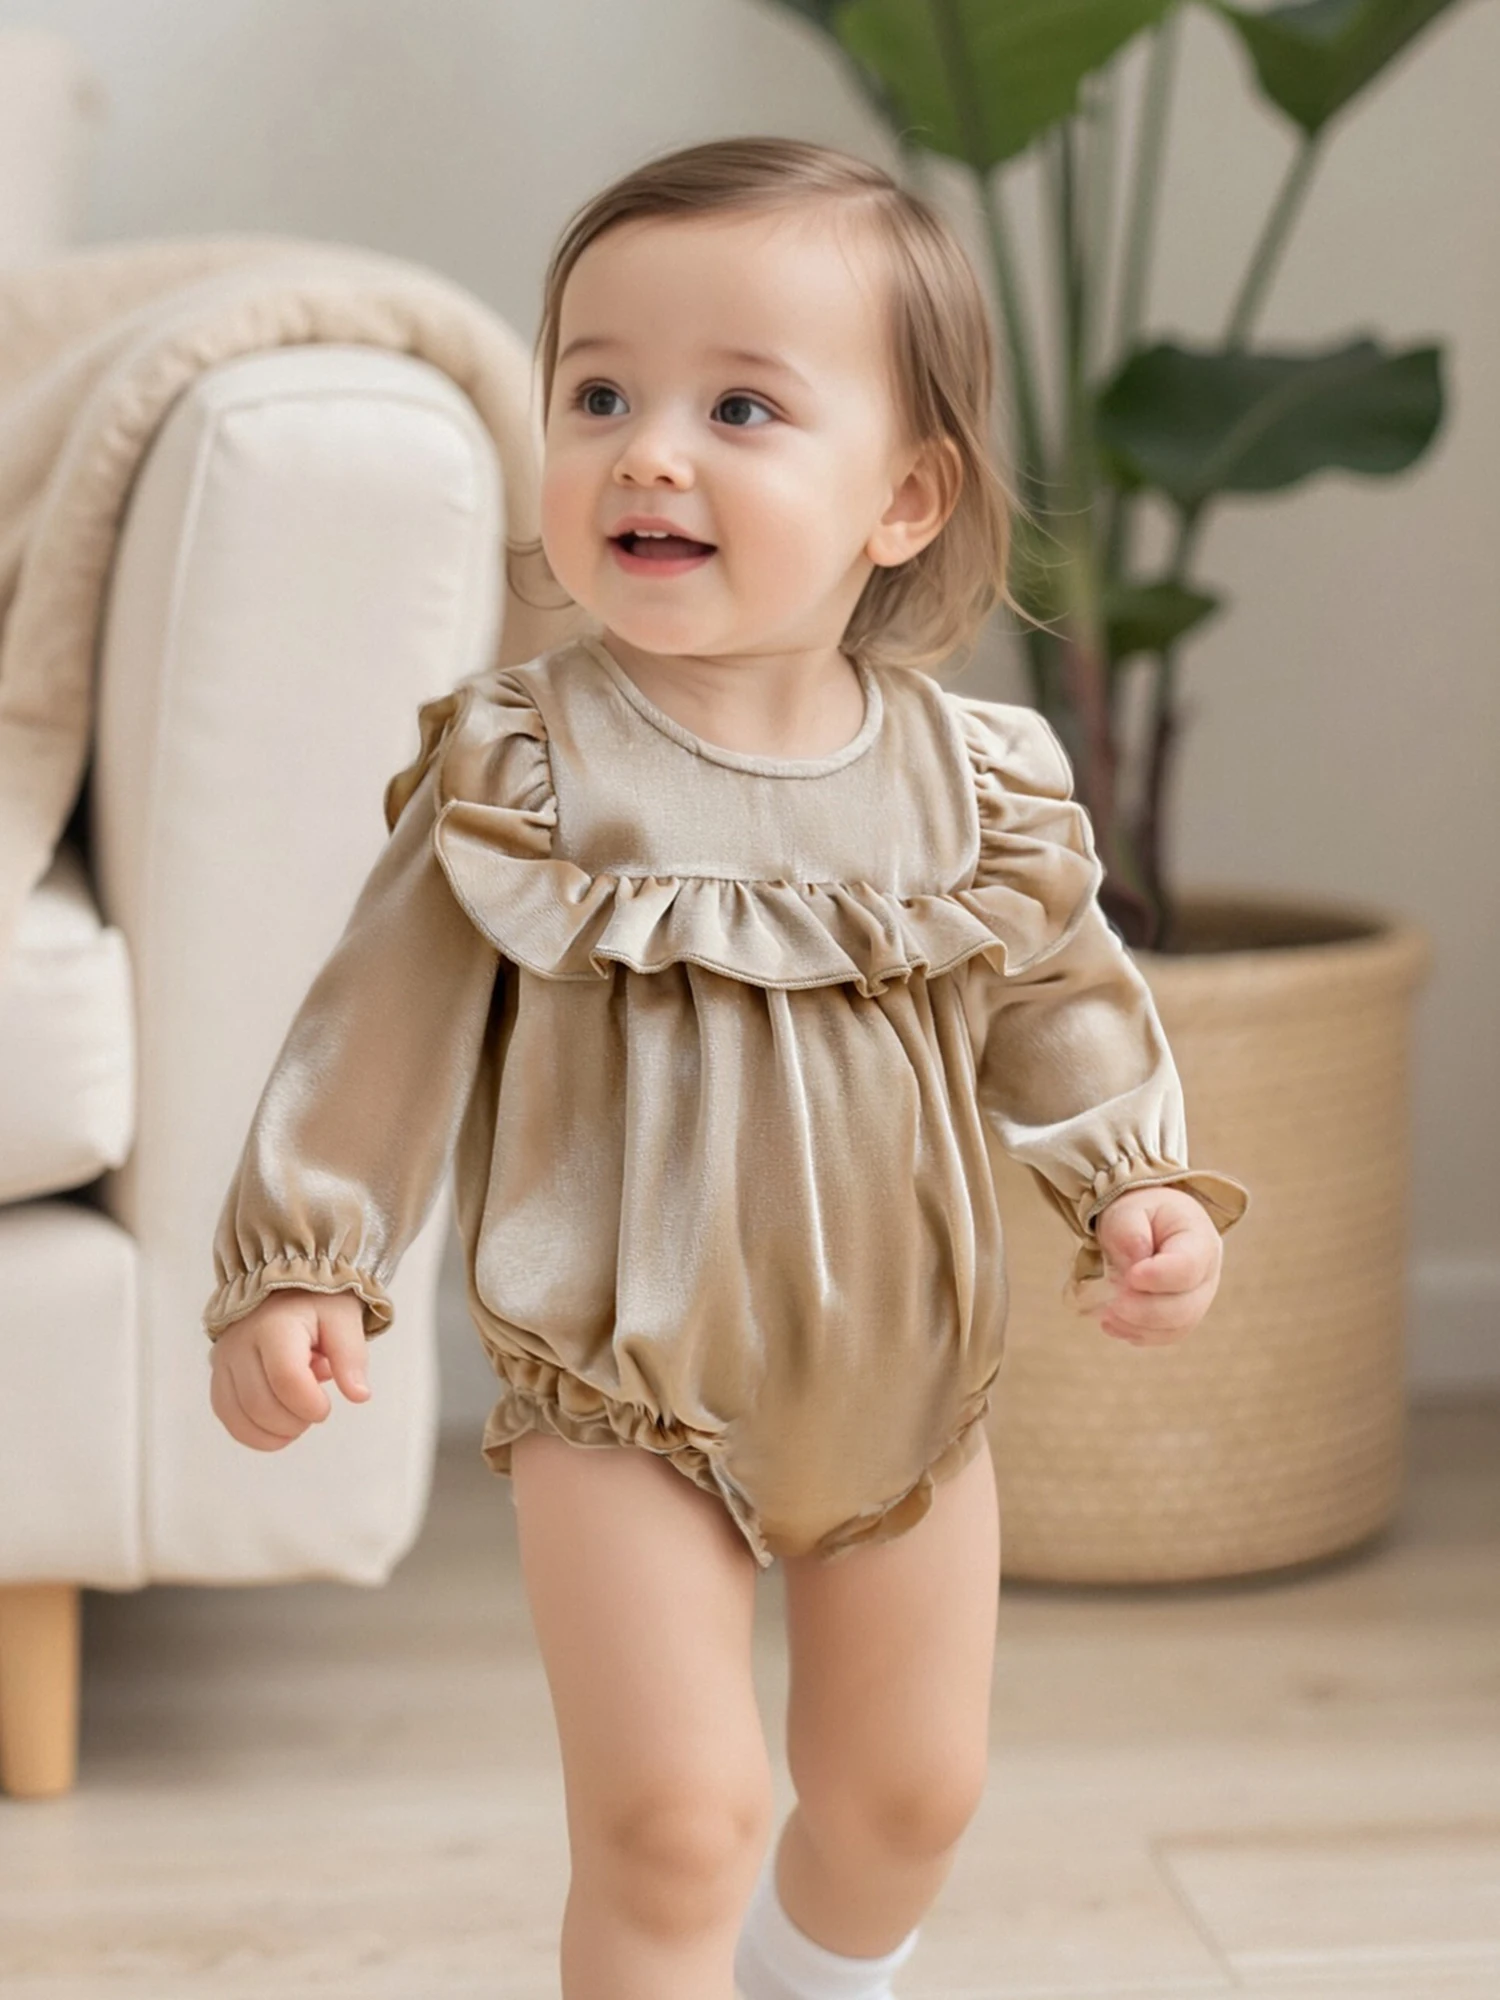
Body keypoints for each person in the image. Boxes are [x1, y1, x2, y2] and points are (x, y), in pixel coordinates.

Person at [201, 136, 1250, 2000]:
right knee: (677, 1820)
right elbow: (377, 1031)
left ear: (903, 498)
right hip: (621, 1374)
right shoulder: (525, 773)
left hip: (907, 1375)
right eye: (599, 394)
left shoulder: (978, 783)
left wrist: (1136, 1185)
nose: (648, 453)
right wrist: (306, 1261)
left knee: (908, 1800)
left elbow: (1065, 1005)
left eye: (739, 407)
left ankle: (807, 1981)